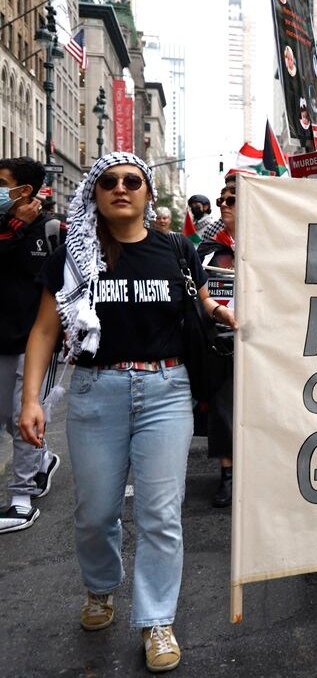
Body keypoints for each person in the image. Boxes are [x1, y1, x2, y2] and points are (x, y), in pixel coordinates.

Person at [17, 152, 237, 674]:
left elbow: (204, 304)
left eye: (132, 181)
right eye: (109, 181)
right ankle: (100, 589)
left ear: (146, 193)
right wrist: (31, 399)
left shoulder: (177, 250)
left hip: (167, 389)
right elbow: (46, 330)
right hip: (98, 390)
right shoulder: (75, 255)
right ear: (95, 192)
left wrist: (229, 312)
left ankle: (158, 619)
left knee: (161, 514)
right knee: (96, 513)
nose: (121, 188)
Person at [0, 158, 62, 535]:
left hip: (38, 342)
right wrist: (14, 227)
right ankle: (43, 460)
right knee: (9, 418)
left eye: (1, 182)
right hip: (2, 338)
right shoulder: (5, 228)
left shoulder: (52, 229)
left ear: (24, 190)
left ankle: (21, 498)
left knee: (26, 415)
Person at [196, 184, 238, 507]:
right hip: (221, 342)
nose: (224, 204)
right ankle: (227, 475)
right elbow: (194, 292)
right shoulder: (207, 250)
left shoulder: (274, 245)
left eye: (232, 199)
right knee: (222, 409)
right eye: (221, 199)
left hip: (264, 343)